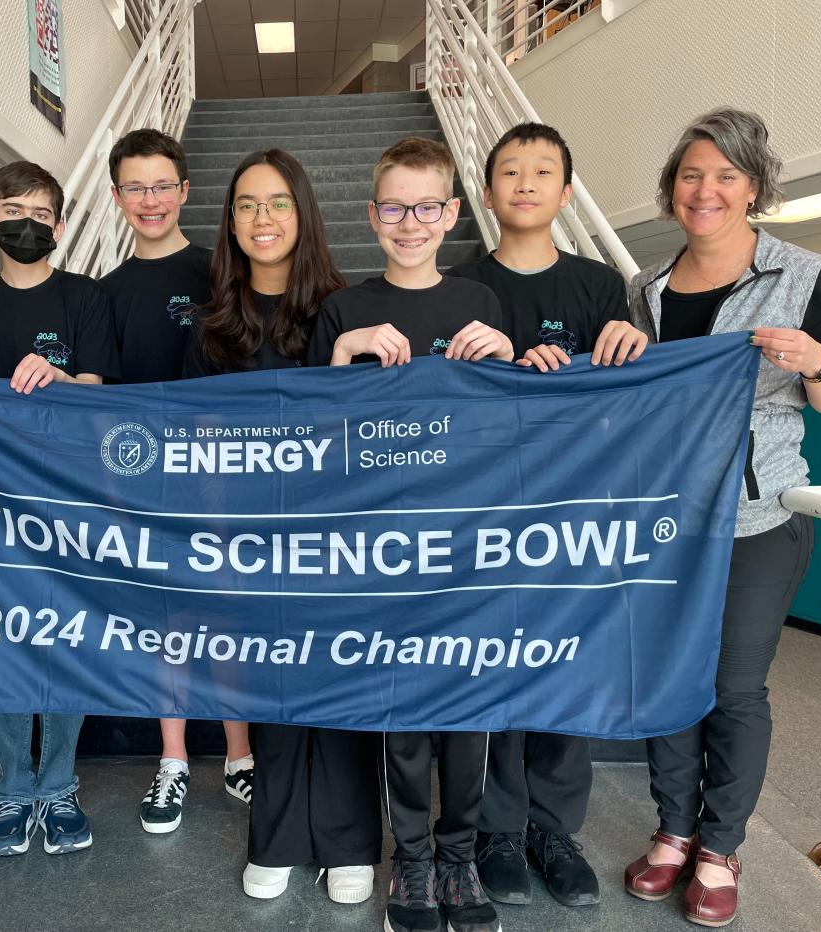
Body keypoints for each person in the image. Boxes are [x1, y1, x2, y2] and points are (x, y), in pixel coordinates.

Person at [622, 108, 821, 928]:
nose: (707, 190)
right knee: (668, 683)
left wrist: (815, 359)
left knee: (731, 687)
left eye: (725, 175)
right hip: (670, 521)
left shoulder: (803, 275)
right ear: (672, 189)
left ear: (753, 187)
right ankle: (672, 831)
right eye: (692, 174)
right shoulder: (648, 291)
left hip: (761, 521)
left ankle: (719, 847)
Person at [307, 136, 512, 932]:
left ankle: (460, 863)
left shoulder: (482, 305)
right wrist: (339, 357)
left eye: (427, 206)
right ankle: (414, 867)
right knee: (401, 722)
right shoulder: (345, 309)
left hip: (465, 551)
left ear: (453, 214)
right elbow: (316, 439)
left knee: (466, 718)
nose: (411, 221)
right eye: (394, 207)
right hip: (384, 554)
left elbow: (508, 435)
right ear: (372, 215)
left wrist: (503, 360)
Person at [448, 122, 645, 910]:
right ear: (486, 190)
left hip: (572, 515)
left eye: (543, 172)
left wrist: (630, 348)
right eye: (509, 171)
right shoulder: (459, 285)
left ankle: (554, 831)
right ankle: (498, 830)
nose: (525, 183)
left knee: (565, 667)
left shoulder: (599, 287)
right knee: (498, 670)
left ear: (567, 192)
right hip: (485, 517)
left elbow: (626, 410)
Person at [184, 149, 382, 906]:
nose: (261, 220)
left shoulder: (348, 309)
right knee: (272, 684)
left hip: (331, 537)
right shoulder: (208, 328)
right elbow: (189, 442)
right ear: (229, 222)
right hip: (244, 538)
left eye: (276, 204)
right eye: (245, 205)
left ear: (303, 214)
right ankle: (276, 837)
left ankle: (347, 843)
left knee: (338, 683)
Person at [0, 161, 120, 859]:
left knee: (65, 642)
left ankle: (59, 786)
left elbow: (99, 387)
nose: (30, 223)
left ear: (60, 226)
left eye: (44, 213)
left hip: (70, 501)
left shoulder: (87, 300)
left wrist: (62, 381)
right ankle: (14, 791)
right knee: (1, 647)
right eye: (14, 210)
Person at [98, 128, 255, 834]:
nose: (151, 199)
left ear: (186, 191)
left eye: (163, 185)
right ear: (117, 197)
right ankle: (173, 762)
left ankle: (240, 756)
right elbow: (95, 393)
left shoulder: (223, 275)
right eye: (136, 186)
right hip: (144, 487)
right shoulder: (104, 293)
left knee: (228, 622)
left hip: (222, 481)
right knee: (168, 627)